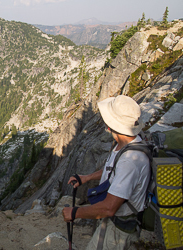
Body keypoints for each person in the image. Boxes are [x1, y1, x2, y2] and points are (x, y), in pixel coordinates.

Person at [62, 95, 150, 250]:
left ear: (112, 125)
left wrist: (75, 212)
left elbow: (109, 208)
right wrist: (87, 177)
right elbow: (113, 170)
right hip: (113, 221)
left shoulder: (130, 161)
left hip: (119, 231)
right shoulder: (126, 144)